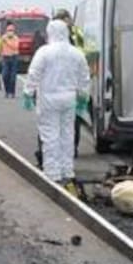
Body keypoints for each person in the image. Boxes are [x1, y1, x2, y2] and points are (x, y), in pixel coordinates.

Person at [23, 20, 89, 194]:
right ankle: (67, 170)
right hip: (69, 99)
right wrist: (83, 96)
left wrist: (28, 93)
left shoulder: (44, 52)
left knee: (50, 135)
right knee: (67, 135)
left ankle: (52, 174)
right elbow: (84, 77)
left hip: (49, 99)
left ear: (50, 32)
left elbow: (34, 73)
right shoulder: (77, 53)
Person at [54, 9, 89, 157]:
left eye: (65, 19)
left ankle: (72, 148)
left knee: (75, 120)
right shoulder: (53, 35)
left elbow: (86, 49)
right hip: (57, 84)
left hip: (73, 81)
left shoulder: (77, 34)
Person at [0, 23, 20, 98]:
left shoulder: (16, 38)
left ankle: (12, 92)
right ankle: (7, 91)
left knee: (12, 77)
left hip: (14, 57)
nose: (10, 32)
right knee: (4, 75)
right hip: (5, 58)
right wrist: (0, 56)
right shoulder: (3, 37)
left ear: (14, 31)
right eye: (8, 30)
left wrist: (7, 42)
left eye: (11, 30)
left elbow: (15, 47)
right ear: (6, 31)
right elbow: (0, 47)